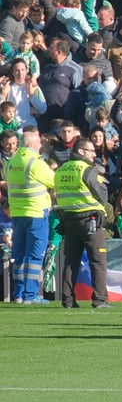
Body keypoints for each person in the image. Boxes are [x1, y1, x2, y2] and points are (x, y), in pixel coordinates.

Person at [54, 138, 111, 309]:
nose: (94, 154)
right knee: (98, 260)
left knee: (71, 261)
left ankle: (68, 300)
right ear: (81, 151)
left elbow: (59, 196)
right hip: (90, 220)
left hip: (69, 220)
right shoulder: (87, 170)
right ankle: (100, 300)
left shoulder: (61, 170)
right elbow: (103, 194)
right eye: (91, 151)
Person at [6, 128, 55, 303]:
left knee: (18, 255)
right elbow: (54, 180)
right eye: (39, 142)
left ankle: (18, 294)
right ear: (31, 144)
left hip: (17, 214)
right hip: (36, 213)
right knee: (34, 256)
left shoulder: (11, 162)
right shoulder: (35, 163)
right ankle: (30, 295)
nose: (41, 145)